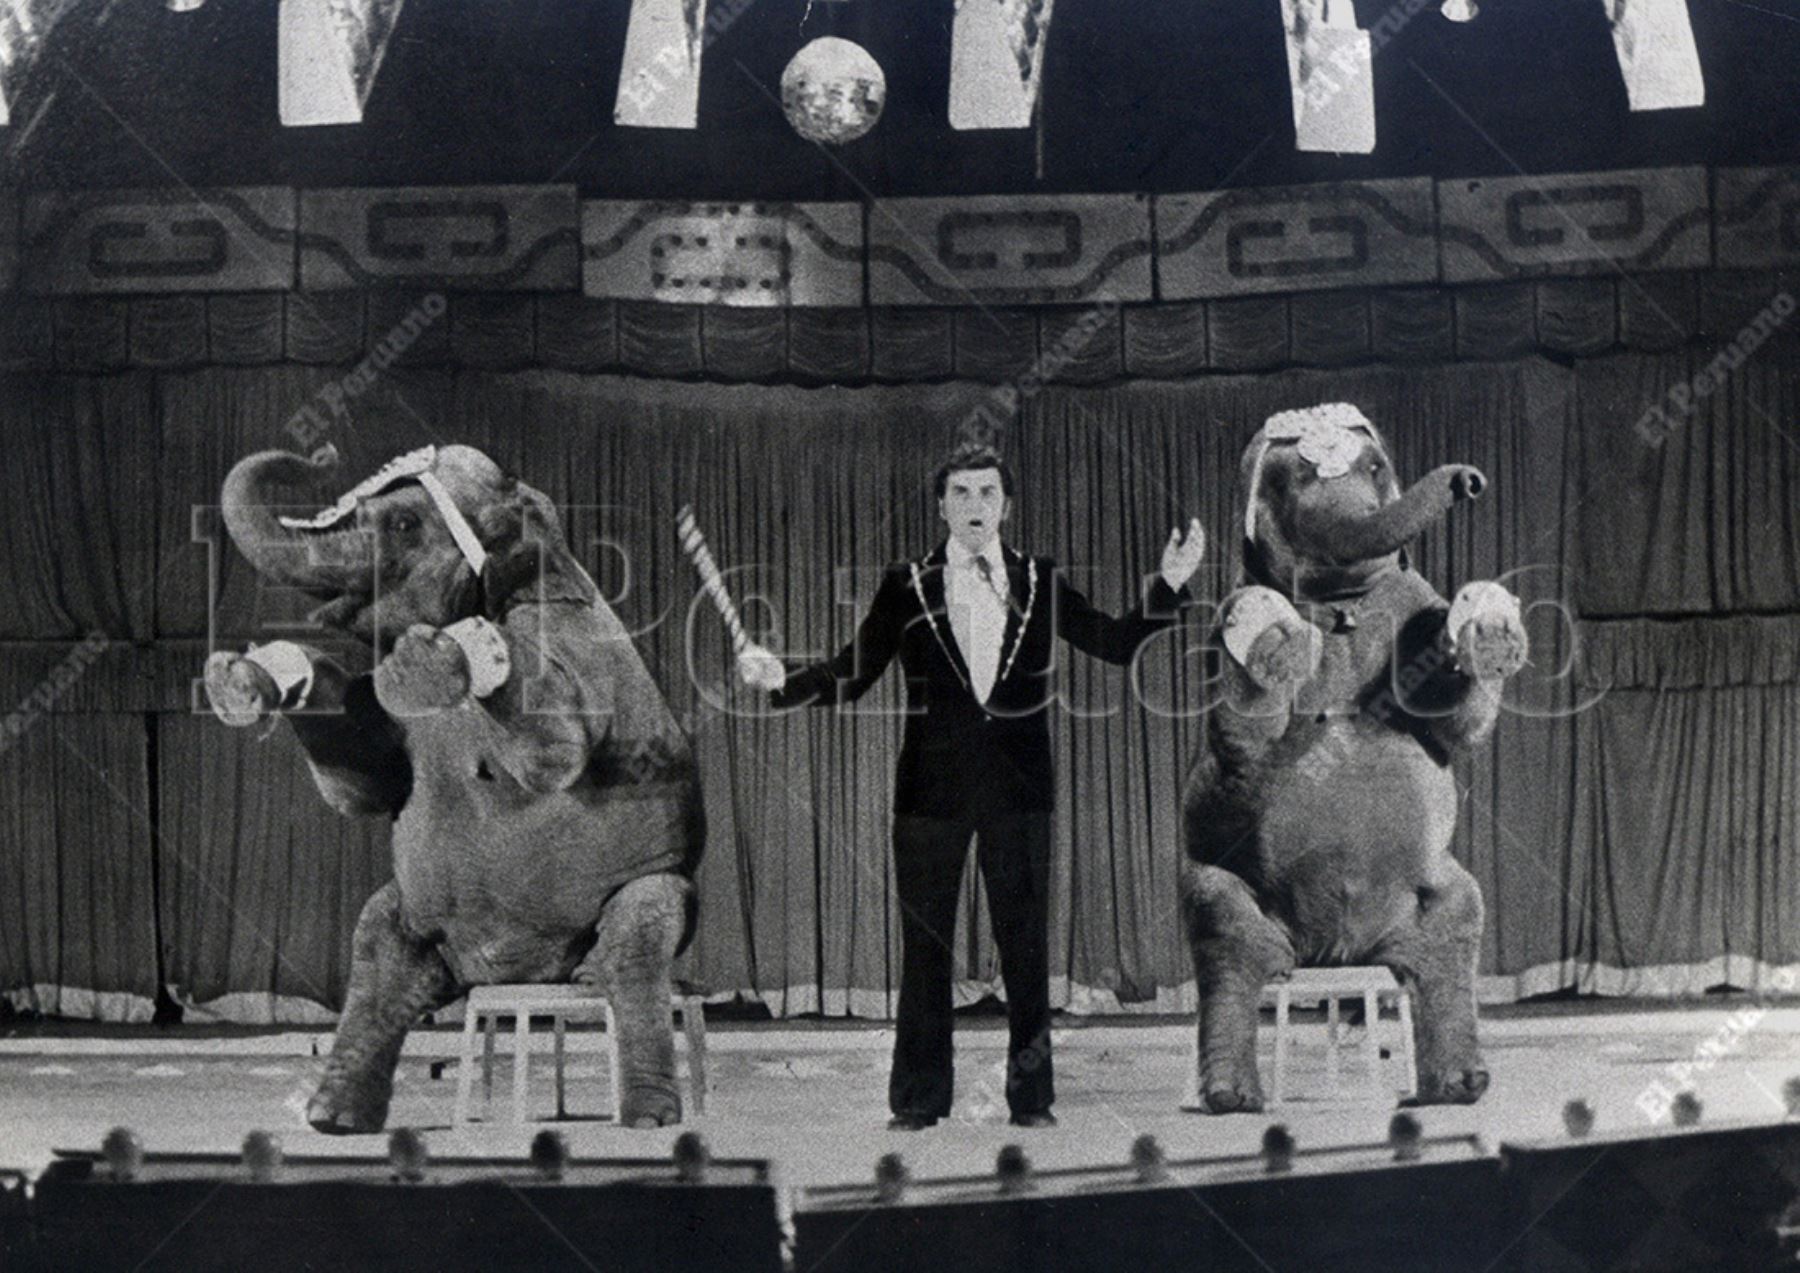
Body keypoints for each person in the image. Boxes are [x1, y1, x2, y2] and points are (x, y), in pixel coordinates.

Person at [737, 443, 1205, 1129]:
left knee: (1025, 949)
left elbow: (1111, 640)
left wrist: (1166, 586)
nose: (975, 506)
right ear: (941, 506)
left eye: (987, 492)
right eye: (961, 493)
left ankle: (1032, 1099)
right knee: (925, 950)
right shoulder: (908, 585)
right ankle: (920, 1099)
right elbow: (854, 670)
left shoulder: (1042, 581)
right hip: (929, 794)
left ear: (1006, 506)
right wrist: (783, 679)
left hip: (1020, 793)